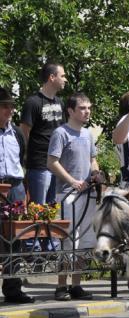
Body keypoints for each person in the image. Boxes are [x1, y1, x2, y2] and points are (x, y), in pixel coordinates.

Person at [47, 92, 100, 301]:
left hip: (87, 193)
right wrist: (72, 181)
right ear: (70, 111)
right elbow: (52, 162)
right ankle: (61, 286)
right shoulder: (60, 133)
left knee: (84, 240)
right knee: (67, 241)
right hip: (68, 194)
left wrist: (96, 173)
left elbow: (92, 159)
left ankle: (76, 285)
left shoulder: (88, 134)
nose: (87, 111)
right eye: (82, 108)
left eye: (88, 108)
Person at [0, 87, 33, 303]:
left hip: (16, 186)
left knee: (17, 238)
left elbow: (22, 160)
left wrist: (24, 189)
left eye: (12, 106)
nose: (11, 110)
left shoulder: (17, 133)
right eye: (5, 106)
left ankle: (13, 288)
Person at [20, 63, 67, 204]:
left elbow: (62, 131)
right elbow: (24, 133)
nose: (65, 80)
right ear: (52, 77)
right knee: (38, 209)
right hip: (39, 165)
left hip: (57, 164)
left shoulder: (60, 102)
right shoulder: (32, 102)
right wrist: (29, 156)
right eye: (63, 76)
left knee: (53, 210)